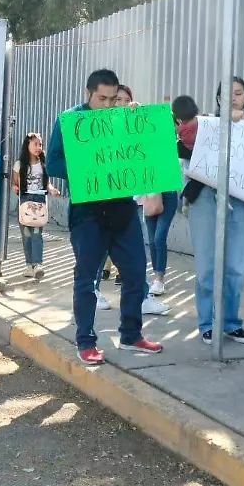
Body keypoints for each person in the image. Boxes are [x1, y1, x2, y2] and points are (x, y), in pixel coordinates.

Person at [46, 69, 164, 365]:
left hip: (123, 210)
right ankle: (85, 341)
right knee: (86, 278)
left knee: (136, 273)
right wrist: (86, 162)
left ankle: (131, 335)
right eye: (102, 98)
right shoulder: (70, 121)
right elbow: (53, 164)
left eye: (113, 99)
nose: (108, 105)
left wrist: (138, 123)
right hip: (88, 213)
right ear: (88, 94)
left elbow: (147, 151)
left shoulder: (122, 118)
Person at [175, 88, 244, 346]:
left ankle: (230, 322)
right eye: (227, 93)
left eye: (239, 93)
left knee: (236, 268)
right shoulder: (203, 124)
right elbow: (180, 143)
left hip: (239, 201)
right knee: (207, 266)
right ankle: (208, 323)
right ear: (219, 99)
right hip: (206, 199)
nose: (233, 97)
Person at [93, 84, 170, 316]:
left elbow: (155, 145)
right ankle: (92, 290)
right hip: (105, 202)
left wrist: (144, 118)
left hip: (130, 202)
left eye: (127, 100)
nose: (124, 104)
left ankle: (143, 296)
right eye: (119, 100)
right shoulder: (102, 127)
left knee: (136, 252)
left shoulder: (136, 127)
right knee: (101, 250)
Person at [12, 132, 59, 278]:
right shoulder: (19, 164)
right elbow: (15, 182)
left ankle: (38, 264)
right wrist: (15, 187)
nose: (39, 147)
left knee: (37, 234)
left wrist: (51, 189)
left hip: (39, 201)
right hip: (25, 200)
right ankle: (29, 265)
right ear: (27, 145)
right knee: (26, 235)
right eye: (35, 144)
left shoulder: (44, 163)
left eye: (40, 144)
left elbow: (47, 182)